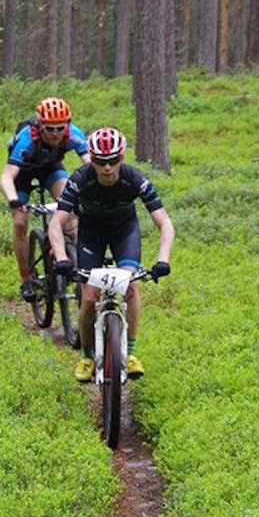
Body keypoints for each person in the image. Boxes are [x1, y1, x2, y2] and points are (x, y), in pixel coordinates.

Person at [48, 127, 175, 382]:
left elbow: (165, 223)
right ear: (91, 159)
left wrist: (163, 259)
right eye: (100, 161)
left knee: (131, 287)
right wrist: (61, 257)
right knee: (89, 296)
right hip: (91, 234)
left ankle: (131, 352)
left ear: (122, 158)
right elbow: (56, 223)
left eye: (113, 160)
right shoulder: (80, 179)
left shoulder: (135, 178)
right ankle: (86, 356)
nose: (107, 168)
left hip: (123, 232)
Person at [0, 97, 90, 301]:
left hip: (50, 169)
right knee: (20, 223)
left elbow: (91, 165)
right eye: (50, 128)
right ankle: (26, 278)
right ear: (40, 125)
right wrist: (15, 201)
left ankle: (70, 254)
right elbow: (6, 177)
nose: (56, 134)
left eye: (60, 128)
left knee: (69, 205)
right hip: (22, 173)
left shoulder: (73, 134)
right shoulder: (27, 139)